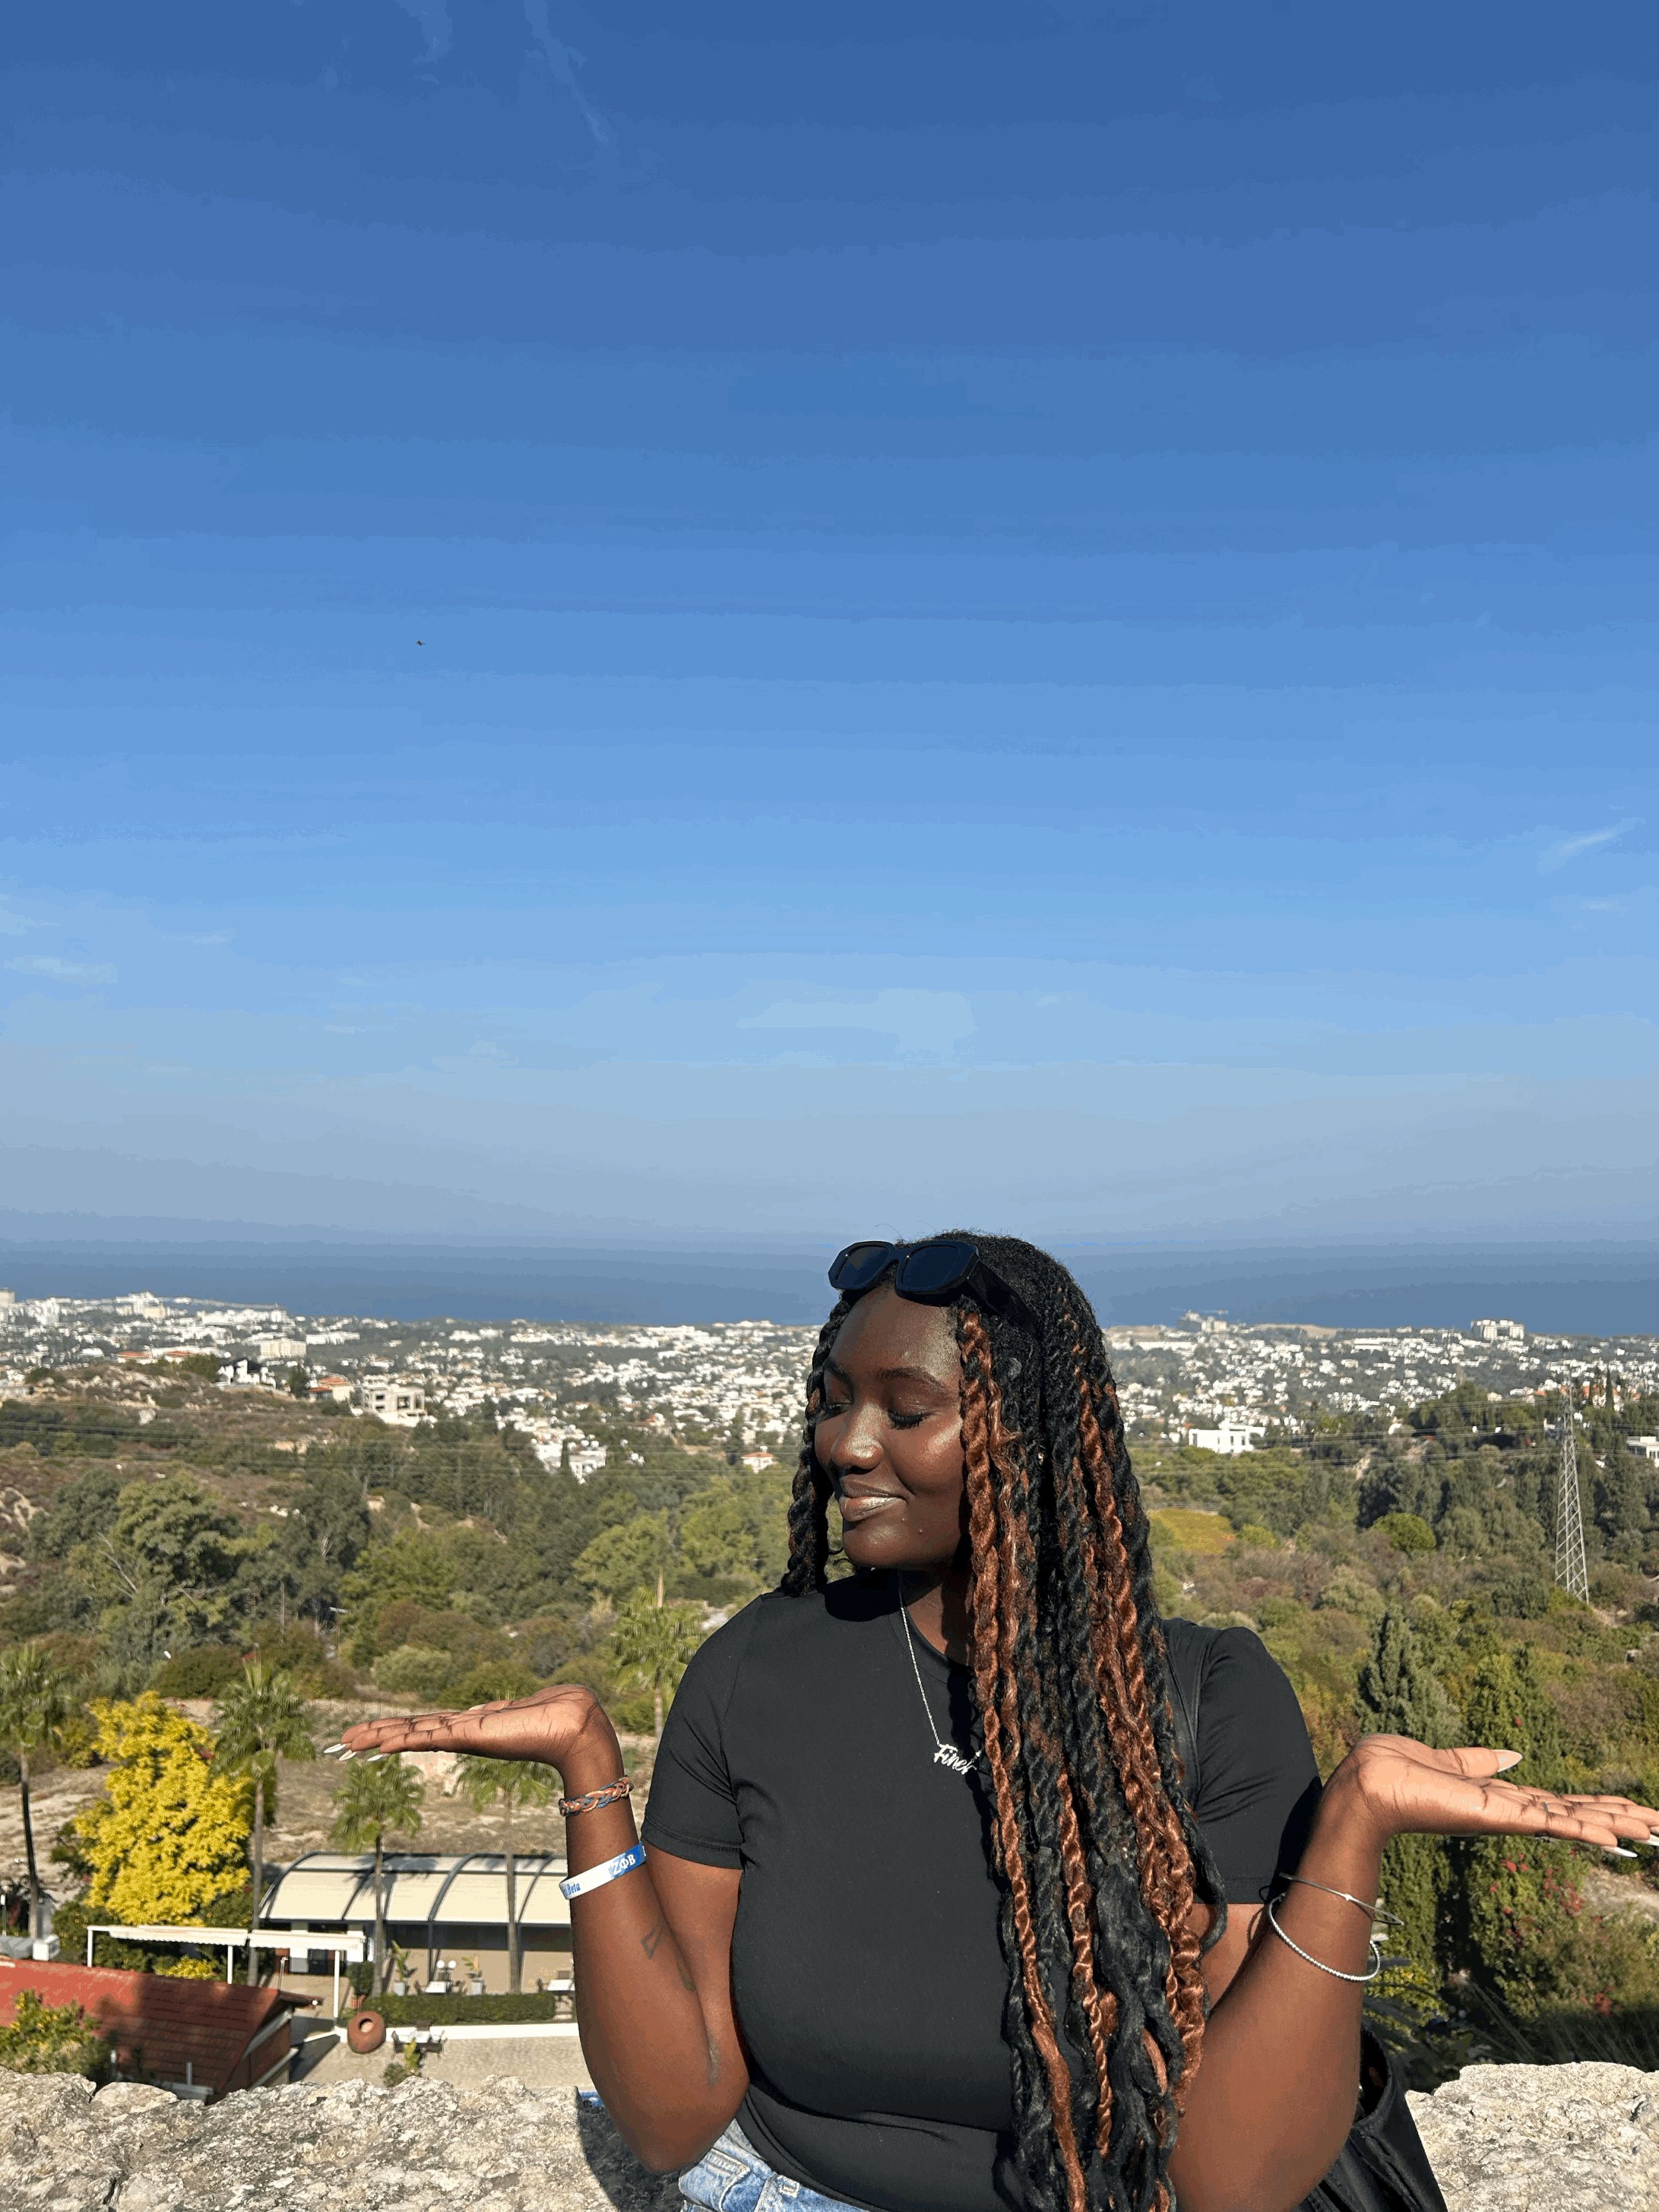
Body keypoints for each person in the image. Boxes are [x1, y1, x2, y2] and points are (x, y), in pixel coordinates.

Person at [335, 1235, 1658, 2212]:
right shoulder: (751, 1674)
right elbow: (673, 2116)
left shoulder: (1205, 1703)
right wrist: (588, 1778)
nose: (846, 1445)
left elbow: (1231, 2178)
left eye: (904, 1410)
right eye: (831, 1401)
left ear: (1027, 1438)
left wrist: (1351, 1829)